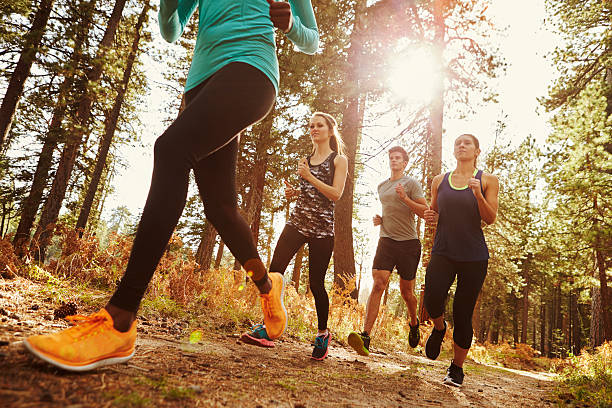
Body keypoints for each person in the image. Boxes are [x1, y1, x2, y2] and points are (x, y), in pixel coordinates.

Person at [23, 0, 320, 372]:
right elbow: (171, 29)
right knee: (220, 208)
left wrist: (291, 23)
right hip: (200, 84)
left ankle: (119, 319)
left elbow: (312, 41)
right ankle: (267, 285)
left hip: (251, 70)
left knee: (171, 149)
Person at [241, 112, 348, 361]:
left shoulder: (338, 160)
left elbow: (336, 194)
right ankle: (268, 327)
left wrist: (309, 178)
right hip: (297, 223)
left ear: (330, 130)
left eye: (319, 125)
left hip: (322, 230)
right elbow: (309, 191)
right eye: (310, 125)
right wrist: (295, 192)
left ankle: (323, 334)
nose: (314, 129)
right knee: (275, 273)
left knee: (316, 284)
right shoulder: (305, 160)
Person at [422, 134, 499, 387]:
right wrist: (430, 216)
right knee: (432, 298)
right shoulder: (439, 181)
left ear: (477, 150)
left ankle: (456, 369)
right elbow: (434, 213)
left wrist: (478, 195)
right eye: (458, 143)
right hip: (443, 250)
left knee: (463, 313)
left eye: (467, 143)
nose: (462, 146)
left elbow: (490, 218)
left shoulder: (487, 180)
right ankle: (439, 327)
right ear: (454, 151)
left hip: (474, 256)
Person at [347, 146, 427, 356]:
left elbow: (424, 212)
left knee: (406, 292)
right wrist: (381, 220)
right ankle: (365, 336)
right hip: (386, 240)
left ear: (405, 163)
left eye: (398, 158)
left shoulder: (411, 184)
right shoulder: (382, 186)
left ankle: (413, 322)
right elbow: (391, 211)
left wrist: (405, 198)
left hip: (408, 244)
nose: (393, 160)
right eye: (391, 157)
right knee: (378, 284)